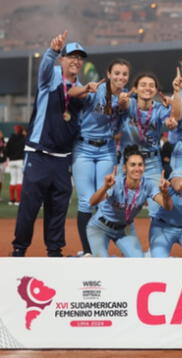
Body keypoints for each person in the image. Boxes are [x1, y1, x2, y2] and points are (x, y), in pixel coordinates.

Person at [12, 32, 86, 257]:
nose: (75, 60)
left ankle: (54, 251)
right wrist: (52, 51)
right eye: (70, 56)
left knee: (58, 208)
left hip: (63, 159)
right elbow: (44, 68)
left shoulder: (83, 88)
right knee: (29, 207)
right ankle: (19, 249)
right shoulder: (51, 76)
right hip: (39, 153)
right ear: (62, 60)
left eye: (79, 57)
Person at [69, 58, 131, 256]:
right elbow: (70, 92)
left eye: (124, 74)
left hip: (107, 149)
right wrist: (86, 88)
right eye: (117, 73)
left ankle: (99, 250)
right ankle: (88, 252)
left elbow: (122, 126)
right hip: (84, 147)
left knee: (104, 201)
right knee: (86, 201)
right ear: (109, 73)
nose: (121, 77)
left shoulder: (125, 97)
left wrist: (123, 107)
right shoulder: (97, 89)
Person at [86, 146, 173, 257]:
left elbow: (168, 207)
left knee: (137, 261)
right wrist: (105, 187)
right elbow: (92, 202)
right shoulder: (115, 183)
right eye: (132, 165)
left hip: (125, 230)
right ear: (124, 168)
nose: (137, 168)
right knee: (102, 262)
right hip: (100, 227)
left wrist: (165, 194)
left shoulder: (148, 185)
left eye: (140, 164)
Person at [118, 73, 173, 218]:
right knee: (119, 207)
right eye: (142, 85)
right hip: (128, 162)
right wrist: (122, 100)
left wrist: (170, 121)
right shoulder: (130, 104)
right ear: (135, 89)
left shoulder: (160, 108)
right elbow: (123, 105)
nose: (147, 88)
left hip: (151, 163)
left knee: (157, 210)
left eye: (151, 85)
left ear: (156, 90)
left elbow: (168, 121)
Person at [5, 125, 25, 206]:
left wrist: (10, 157)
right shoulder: (24, 139)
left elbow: (7, 150)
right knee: (20, 180)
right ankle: (18, 200)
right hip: (20, 161)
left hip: (12, 161)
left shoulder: (11, 138)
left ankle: (12, 200)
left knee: (13, 180)